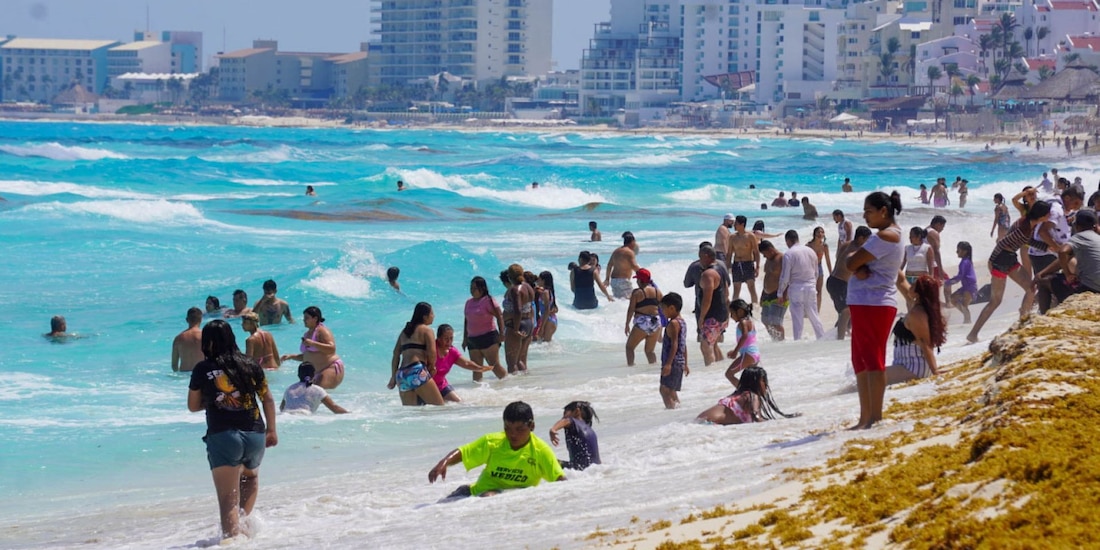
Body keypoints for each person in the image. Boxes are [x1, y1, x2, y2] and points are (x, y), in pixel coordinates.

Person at [187, 320, 277, 542]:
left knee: (228, 498)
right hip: (255, 433)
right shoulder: (250, 364)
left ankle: (231, 541)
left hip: (224, 435)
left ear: (207, 343)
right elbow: (267, 398)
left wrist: (214, 401)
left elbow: (192, 406)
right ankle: (243, 528)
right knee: (250, 478)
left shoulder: (203, 369)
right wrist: (272, 430)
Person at [846, 191, 905, 430]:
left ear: (884, 211)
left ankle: (874, 417)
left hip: (875, 302)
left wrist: (855, 264)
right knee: (860, 359)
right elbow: (854, 262)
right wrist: (856, 265)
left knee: (872, 359)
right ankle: (865, 417)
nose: (864, 216)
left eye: (869, 211)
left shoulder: (885, 236)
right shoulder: (888, 236)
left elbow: (849, 261)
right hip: (868, 302)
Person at [428, 401, 565, 499]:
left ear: (532, 426)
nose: (512, 435)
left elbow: (560, 480)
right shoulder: (492, 442)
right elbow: (464, 452)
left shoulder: (540, 451)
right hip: (477, 494)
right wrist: (444, 462)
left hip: (520, 498)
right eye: (507, 428)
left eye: (519, 429)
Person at [967, 201, 1053, 343]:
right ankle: (973, 334)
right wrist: (991, 261)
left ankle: (1022, 322)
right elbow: (1002, 242)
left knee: (1032, 287)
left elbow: (1027, 241)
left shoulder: (1030, 223)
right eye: (1048, 213)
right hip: (1000, 261)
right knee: (995, 301)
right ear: (1042, 215)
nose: (1050, 215)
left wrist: (1046, 247)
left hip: (1010, 259)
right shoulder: (1024, 226)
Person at [1035, 208, 1100, 312]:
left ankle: (1043, 317)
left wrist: (1067, 274)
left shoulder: (1079, 237)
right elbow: (1067, 256)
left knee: (1044, 282)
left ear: (1077, 226)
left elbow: (1062, 252)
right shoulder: (1097, 238)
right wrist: (1043, 272)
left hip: (1090, 289)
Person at [886, 275, 946, 385]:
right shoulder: (918, 308)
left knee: (869, 377)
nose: (910, 285)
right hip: (905, 364)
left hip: (913, 367)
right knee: (867, 376)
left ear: (919, 292)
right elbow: (901, 281)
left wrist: (935, 371)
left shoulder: (917, 314)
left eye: (914, 284)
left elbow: (925, 344)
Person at [695, 366, 799, 425]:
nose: (766, 385)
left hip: (700, 422)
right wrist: (782, 424)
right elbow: (757, 418)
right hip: (709, 424)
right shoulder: (752, 396)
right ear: (756, 382)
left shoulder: (740, 394)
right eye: (763, 380)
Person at [388, 302, 445, 406]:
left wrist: (393, 377)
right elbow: (432, 354)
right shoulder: (427, 330)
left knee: (412, 414)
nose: (434, 316)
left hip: (401, 375)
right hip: (416, 371)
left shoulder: (405, 331)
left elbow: (396, 354)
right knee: (439, 408)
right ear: (425, 317)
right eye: (432, 313)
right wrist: (432, 367)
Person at [279, 307, 345, 389]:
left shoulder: (322, 331)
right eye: (304, 318)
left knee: (318, 396)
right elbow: (308, 356)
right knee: (312, 396)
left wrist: (313, 343)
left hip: (329, 368)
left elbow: (332, 349)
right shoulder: (307, 334)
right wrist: (291, 356)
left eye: (306, 318)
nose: (304, 320)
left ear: (315, 318)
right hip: (316, 373)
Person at [778, 230, 825, 341]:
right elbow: (816, 272)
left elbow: (785, 276)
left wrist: (780, 293)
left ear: (788, 240)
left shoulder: (789, 254)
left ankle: (797, 341)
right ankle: (822, 338)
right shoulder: (811, 251)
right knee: (814, 315)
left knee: (797, 318)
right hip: (810, 286)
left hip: (796, 288)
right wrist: (813, 284)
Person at [828, 226, 872, 340]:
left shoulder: (846, 244)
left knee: (850, 311)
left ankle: (835, 335)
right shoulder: (856, 251)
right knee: (846, 311)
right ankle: (839, 340)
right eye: (867, 239)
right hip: (838, 283)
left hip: (835, 281)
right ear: (861, 238)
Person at [463, 276, 508, 381]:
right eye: (471, 288)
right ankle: (478, 393)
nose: (472, 290)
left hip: (488, 337)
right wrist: (465, 339)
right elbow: (466, 320)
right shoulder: (468, 302)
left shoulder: (488, 301)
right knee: (476, 369)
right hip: (472, 339)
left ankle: (508, 384)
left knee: (494, 366)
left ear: (482, 289)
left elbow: (499, 316)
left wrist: (502, 333)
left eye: (474, 288)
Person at [433, 324, 493, 403]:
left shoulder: (452, 351)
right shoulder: (432, 348)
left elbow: (466, 363)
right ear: (439, 338)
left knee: (459, 402)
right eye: (446, 338)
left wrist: (480, 368)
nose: (449, 341)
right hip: (429, 386)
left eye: (451, 338)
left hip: (442, 385)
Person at [696, 244, 729, 365]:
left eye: (700, 257)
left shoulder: (708, 274)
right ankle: (720, 370)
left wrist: (701, 317)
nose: (699, 261)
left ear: (706, 256)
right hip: (722, 314)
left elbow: (707, 298)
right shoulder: (720, 269)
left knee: (705, 347)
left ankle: (710, 372)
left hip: (712, 316)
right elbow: (726, 292)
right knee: (714, 344)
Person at [502, 264, 535, 375]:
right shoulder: (528, 287)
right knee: (520, 359)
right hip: (528, 323)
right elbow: (530, 307)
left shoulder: (515, 290)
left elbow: (518, 310)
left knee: (512, 363)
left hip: (516, 325)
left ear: (510, 276)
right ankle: (524, 383)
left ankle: (514, 387)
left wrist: (515, 329)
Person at [625, 268, 663, 366]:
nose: (637, 281)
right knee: (649, 351)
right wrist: (660, 331)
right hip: (656, 322)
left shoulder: (637, 292)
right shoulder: (658, 292)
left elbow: (631, 309)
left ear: (641, 280)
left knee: (629, 348)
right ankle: (654, 369)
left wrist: (627, 324)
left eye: (637, 279)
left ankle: (630, 368)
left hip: (643, 322)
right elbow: (662, 311)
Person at [548, 401, 601, 471]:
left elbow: (566, 421)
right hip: (595, 470)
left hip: (578, 469)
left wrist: (553, 429)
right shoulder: (591, 431)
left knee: (545, 460)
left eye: (565, 414)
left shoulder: (573, 422)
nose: (562, 417)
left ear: (577, 411)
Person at [280, 362, 348, 414]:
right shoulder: (318, 390)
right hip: (304, 415)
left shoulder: (289, 388)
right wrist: (349, 414)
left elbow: (281, 408)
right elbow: (334, 408)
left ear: (298, 375)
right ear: (314, 375)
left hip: (286, 415)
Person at [659, 293, 688, 409]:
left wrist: (668, 364)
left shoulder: (673, 324)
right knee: (671, 390)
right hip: (679, 361)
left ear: (671, 308)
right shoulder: (682, 322)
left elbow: (674, 344)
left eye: (663, 309)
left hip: (673, 362)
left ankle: (671, 410)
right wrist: (685, 363)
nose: (662, 312)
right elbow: (683, 344)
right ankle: (678, 411)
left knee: (664, 389)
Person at [724, 299, 759, 386]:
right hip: (754, 354)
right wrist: (735, 350)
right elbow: (748, 340)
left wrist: (735, 352)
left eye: (732, 313)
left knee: (729, 374)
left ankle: (744, 393)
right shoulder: (749, 321)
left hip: (748, 354)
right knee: (751, 380)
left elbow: (745, 336)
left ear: (739, 311)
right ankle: (752, 395)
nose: (731, 316)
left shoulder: (743, 322)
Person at [725, 215, 760, 304]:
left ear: (742, 224)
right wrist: (727, 267)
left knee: (751, 287)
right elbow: (729, 253)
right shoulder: (732, 237)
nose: (734, 225)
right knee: (736, 288)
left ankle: (755, 308)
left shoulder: (750, 236)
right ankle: (734, 310)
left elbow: (756, 252)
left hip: (748, 263)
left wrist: (757, 267)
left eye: (736, 223)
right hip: (737, 264)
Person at [758, 240, 788, 341]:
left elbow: (788, 278)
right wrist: (762, 295)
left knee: (776, 322)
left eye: (764, 254)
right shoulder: (769, 259)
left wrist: (784, 294)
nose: (764, 256)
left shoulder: (782, 258)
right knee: (765, 320)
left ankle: (781, 343)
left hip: (778, 294)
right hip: (767, 294)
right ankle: (775, 340)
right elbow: (767, 277)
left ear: (770, 250)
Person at [945, 242, 978, 323]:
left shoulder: (964, 262)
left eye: (958, 250)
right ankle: (967, 319)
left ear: (965, 251)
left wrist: (949, 282)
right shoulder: (966, 261)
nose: (956, 252)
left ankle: (967, 321)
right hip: (966, 286)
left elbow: (960, 276)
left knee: (964, 305)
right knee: (953, 299)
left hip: (970, 286)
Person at [605, 231, 641, 298]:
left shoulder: (616, 251)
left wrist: (607, 279)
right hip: (623, 281)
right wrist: (644, 273)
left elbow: (609, 265)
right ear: (632, 242)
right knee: (630, 301)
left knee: (619, 301)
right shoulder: (629, 252)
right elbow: (634, 266)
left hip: (614, 281)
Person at [172, 307, 205, 372]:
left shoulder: (178, 338)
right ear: (201, 319)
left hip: (184, 375)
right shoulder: (205, 336)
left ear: (187, 320)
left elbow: (174, 365)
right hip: (201, 373)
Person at [807, 226, 833, 312]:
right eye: (818, 232)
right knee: (810, 290)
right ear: (814, 234)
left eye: (822, 232)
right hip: (809, 269)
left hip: (819, 267)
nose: (820, 234)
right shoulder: (809, 245)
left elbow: (828, 260)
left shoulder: (824, 246)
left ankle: (817, 310)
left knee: (819, 290)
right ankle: (809, 309)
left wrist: (831, 273)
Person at [534, 271, 559, 343]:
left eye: (539, 279)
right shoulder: (549, 291)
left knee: (546, 344)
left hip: (548, 320)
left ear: (543, 280)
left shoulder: (545, 292)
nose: (537, 281)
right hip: (550, 319)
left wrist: (541, 327)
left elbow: (547, 310)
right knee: (544, 344)